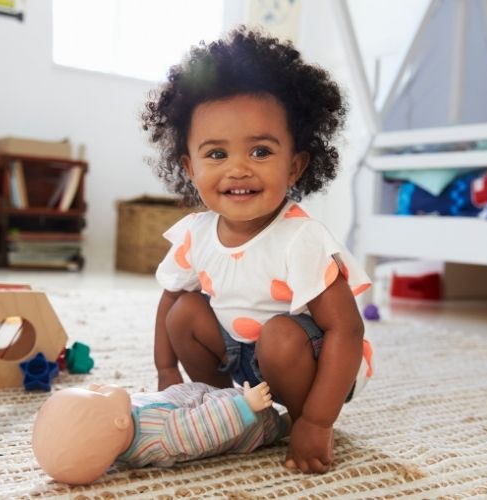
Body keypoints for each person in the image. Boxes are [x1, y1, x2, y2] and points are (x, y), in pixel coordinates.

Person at [142, 26, 373, 475]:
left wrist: (318, 422)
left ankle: (297, 420)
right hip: (244, 355)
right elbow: (170, 302)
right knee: (185, 312)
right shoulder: (195, 233)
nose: (238, 169)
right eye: (216, 155)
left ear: (295, 166)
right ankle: (229, 407)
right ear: (189, 167)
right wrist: (167, 372)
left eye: (261, 151)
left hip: (312, 363)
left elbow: (347, 331)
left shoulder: (300, 238)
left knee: (280, 335)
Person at [32, 381, 287, 485]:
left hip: (204, 395)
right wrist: (246, 405)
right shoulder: (164, 436)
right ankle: (289, 423)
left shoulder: (117, 428)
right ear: (120, 421)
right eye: (97, 393)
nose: (97, 385)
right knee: (287, 421)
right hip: (249, 422)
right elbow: (207, 426)